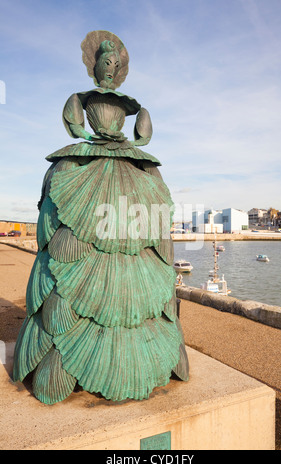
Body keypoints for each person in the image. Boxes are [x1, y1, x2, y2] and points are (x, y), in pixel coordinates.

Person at [13, 30, 189, 405]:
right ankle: (74, 363)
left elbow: (139, 136)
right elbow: (74, 121)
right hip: (97, 160)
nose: (110, 66)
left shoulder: (139, 160)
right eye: (105, 61)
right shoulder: (80, 117)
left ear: (119, 68)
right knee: (68, 248)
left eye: (115, 62)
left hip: (128, 160)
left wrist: (135, 143)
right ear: (95, 67)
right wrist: (84, 136)